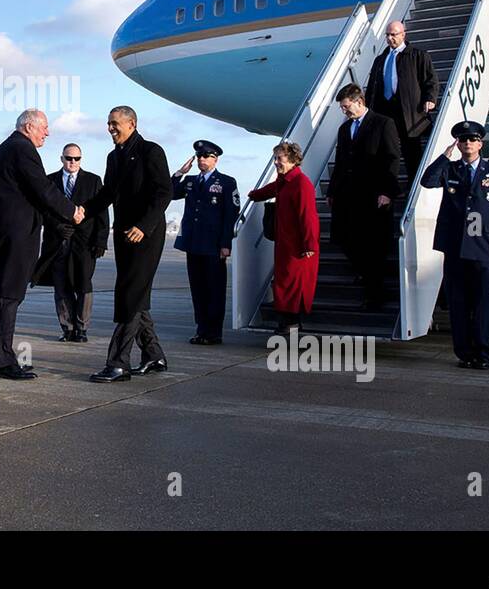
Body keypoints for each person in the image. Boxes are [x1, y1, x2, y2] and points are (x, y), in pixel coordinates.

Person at [0, 109, 82, 380]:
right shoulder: (21, 149)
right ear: (28, 126)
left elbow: (34, 196)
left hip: (12, 237)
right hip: (14, 240)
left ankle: (5, 357)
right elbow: (43, 189)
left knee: (8, 298)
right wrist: (71, 211)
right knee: (7, 298)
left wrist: (58, 222)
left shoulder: (13, 147)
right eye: (44, 127)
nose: (47, 132)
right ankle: (3, 362)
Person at [82, 106, 173, 382]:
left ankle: (118, 363)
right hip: (123, 235)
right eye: (108, 123)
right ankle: (153, 355)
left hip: (146, 235)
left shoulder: (151, 152)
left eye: (114, 123)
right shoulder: (114, 157)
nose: (110, 128)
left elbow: (164, 193)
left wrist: (144, 226)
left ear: (131, 123)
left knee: (129, 295)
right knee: (136, 295)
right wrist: (81, 211)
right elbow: (108, 193)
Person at [420, 120, 489, 370]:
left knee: (483, 304)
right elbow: (427, 181)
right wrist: (443, 156)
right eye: (463, 140)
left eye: (472, 139)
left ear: (480, 144)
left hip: (484, 248)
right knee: (458, 304)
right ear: (457, 144)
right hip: (456, 248)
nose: (467, 143)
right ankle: (464, 353)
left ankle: (483, 353)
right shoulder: (451, 170)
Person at [328, 84, 401, 310]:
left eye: (346, 107)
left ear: (359, 102)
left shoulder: (383, 123)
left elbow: (391, 157)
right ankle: (364, 273)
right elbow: (340, 161)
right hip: (348, 195)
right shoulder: (344, 129)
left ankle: (374, 295)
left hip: (372, 195)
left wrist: (387, 192)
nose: (344, 111)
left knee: (373, 247)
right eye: (342, 108)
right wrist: (332, 191)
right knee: (344, 239)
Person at [33, 144, 108, 343]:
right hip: (57, 242)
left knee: (84, 285)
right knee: (61, 286)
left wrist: (101, 241)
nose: (72, 162)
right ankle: (67, 328)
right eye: (68, 158)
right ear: (62, 158)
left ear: (81, 159)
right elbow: (42, 209)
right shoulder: (49, 181)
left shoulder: (93, 181)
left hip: (84, 243)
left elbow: (102, 213)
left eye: (76, 158)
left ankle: (82, 328)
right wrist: (57, 226)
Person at [171, 139, 240, 344]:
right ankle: (201, 329)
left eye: (206, 156)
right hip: (193, 243)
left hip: (213, 245)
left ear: (215, 159)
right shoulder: (191, 181)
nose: (201, 159)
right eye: (199, 156)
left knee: (214, 289)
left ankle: (213, 332)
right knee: (198, 288)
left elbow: (231, 214)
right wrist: (179, 173)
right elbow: (171, 193)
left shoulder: (226, 182)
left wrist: (226, 243)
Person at [247, 141, 319, 331]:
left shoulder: (301, 184)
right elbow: (268, 190)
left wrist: (309, 245)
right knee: (283, 281)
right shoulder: (283, 181)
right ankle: (287, 321)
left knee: (292, 284)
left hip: (298, 246)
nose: (276, 163)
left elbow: (308, 217)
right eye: (275, 159)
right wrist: (253, 195)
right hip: (284, 243)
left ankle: (292, 323)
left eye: (280, 159)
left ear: (293, 160)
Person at [365, 20, 438, 182]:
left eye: (394, 35)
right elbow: (372, 86)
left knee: (411, 151)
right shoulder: (380, 60)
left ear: (403, 34)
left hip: (409, 112)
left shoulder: (418, 55)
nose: (390, 38)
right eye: (388, 35)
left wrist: (430, 98)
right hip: (385, 110)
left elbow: (431, 81)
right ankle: (389, 187)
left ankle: (414, 185)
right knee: (387, 150)